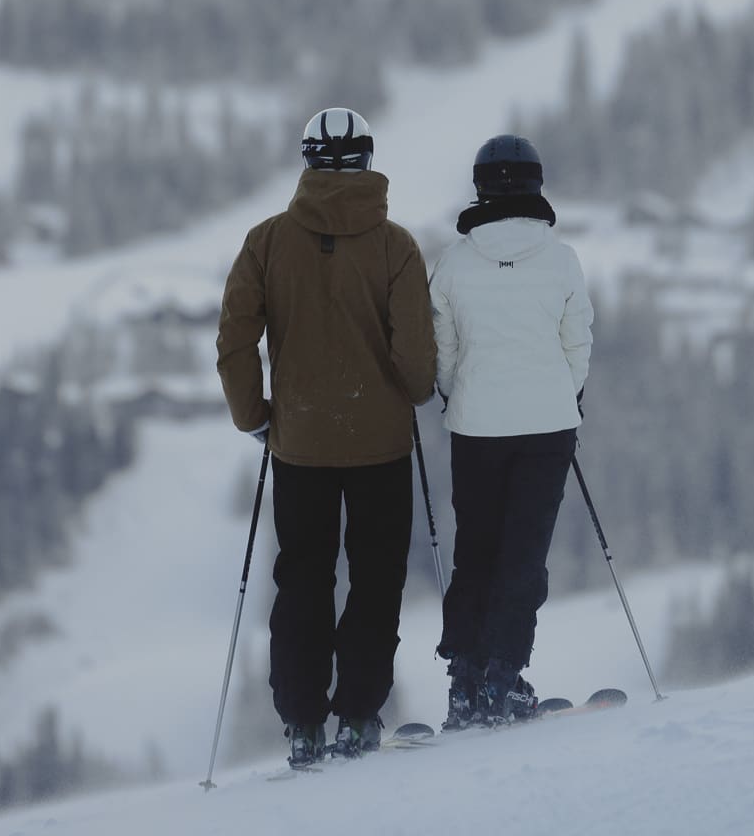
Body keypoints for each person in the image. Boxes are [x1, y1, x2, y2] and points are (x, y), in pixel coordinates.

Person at [216, 106, 436, 767]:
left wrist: (254, 415)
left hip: (300, 445)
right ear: (366, 159)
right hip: (381, 445)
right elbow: (416, 361)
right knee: (376, 579)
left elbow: (235, 341)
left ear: (308, 159)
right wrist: (410, 391)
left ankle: (303, 723)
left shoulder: (266, 242)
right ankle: (359, 715)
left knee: (303, 580)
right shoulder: (396, 247)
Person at [430, 133, 592, 728]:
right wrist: (565, 396)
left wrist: (460, 394)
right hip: (547, 429)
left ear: (480, 188)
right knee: (523, 554)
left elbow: (443, 351)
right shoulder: (562, 259)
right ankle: (504, 679)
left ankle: (465, 680)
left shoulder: (453, 262)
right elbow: (577, 345)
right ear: (536, 184)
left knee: (475, 550)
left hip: (476, 429)